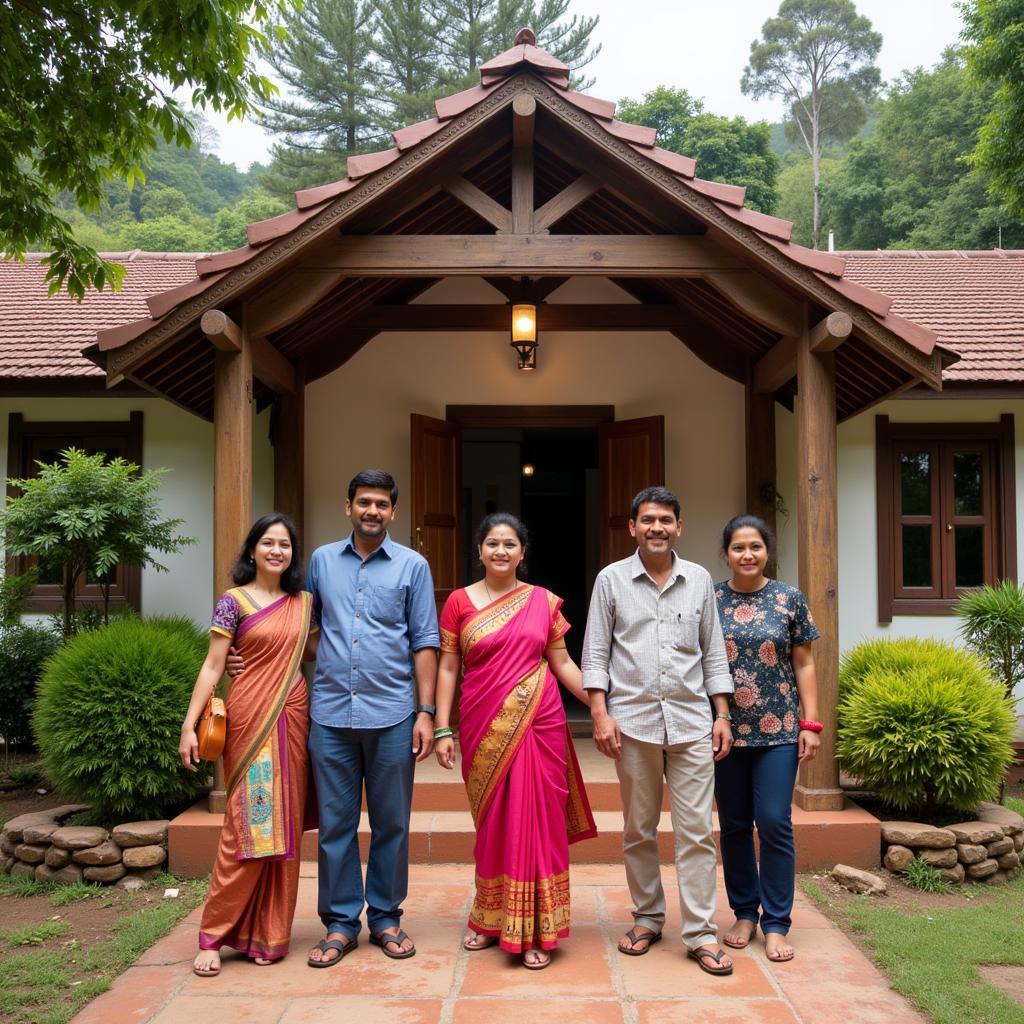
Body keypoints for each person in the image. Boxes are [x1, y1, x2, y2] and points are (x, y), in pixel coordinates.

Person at [581, 486, 736, 976]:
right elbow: (595, 654)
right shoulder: (611, 580)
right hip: (634, 725)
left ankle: (700, 932)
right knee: (638, 829)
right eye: (647, 520)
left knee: (696, 833)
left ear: (679, 527)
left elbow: (713, 653)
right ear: (632, 527)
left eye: (666, 520)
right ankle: (647, 917)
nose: (657, 528)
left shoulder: (699, 580)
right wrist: (601, 715)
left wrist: (723, 714)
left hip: (692, 723)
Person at [433, 513, 596, 971]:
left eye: (510, 544)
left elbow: (562, 664)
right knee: (493, 823)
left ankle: (540, 926)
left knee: (539, 819)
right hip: (481, 724)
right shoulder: (459, 603)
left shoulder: (542, 601)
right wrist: (443, 726)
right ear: (479, 551)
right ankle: (489, 918)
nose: (501, 551)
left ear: (523, 553)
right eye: (492, 543)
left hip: (539, 723)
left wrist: (600, 705)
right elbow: (449, 667)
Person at [180, 513, 317, 976]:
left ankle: (268, 932)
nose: (277, 551)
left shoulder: (304, 603)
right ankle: (215, 934)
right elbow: (213, 666)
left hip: (294, 716)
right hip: (250, 721)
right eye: (268, 543)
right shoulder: (232, 602)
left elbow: (319, 652)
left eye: (285, 544)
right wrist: (188, 724)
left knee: (285, 825)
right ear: (253, 550)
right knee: (248, 825)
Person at [713, 514, 821, 964]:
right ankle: (744, 913)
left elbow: (805, 663)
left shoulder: (788, 598)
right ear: (726, 554)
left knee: (774, 821)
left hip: (779, 729)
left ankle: (777, 922)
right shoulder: (711, 600)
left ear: (766, 550)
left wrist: (810, 724)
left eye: (755, 546)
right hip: (724, 731)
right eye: (738, 547)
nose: (747, 555)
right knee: (735, 825)